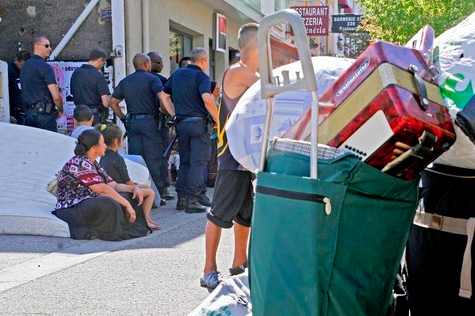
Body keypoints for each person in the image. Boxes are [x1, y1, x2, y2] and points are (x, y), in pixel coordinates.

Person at [201, 23, 259, 289]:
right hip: (232, 156)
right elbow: (272, 89)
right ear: (253, 47)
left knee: (245, 215)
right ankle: (208, 270)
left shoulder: (247, 72)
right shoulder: (240, 72)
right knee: (219, 214)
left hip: (245, 156)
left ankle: (239, 263)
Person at [53, 129, 151, 241]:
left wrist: (133, 188)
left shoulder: (94, 163)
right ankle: (114, 231)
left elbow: (113, 185)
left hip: (87, 204)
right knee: (108, 201)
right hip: (72, 209)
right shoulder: (79, 162)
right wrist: (127, 205)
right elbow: (102, 189)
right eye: (102, 143)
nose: (105, 146)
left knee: (130, 195)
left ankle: (132, 227)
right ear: (95, 147)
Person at [160, 48, 218, 213]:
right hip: (199, 124)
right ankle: (192, 200)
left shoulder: (177, 74)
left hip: (182, 124)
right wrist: (217, 119)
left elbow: (163, 96)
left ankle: (182, 199)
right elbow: (207, 99)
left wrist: (174, 114)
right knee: (198, 163)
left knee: (185, 162)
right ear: (203, 61)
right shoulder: (201, 76)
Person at [109, 53, 165, 201]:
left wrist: (122, 117)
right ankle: (157, 194)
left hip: (132, 123)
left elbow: (113, 101)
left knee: (136, 158)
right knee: (152, 158)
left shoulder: (126, 81)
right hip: (150, 122)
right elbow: (162, 97)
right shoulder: (153, 79)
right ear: (147, 64)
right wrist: (168, 113)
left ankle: (136, 191)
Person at [97, 123, 161, 230]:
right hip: (119, 190)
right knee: (150, 192)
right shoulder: (118, 159)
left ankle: (148, 219)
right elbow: (127, 181)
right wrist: (135, 186)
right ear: (116, 141)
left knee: (145, 186)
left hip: (113, 187)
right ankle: (145, 220)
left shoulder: (102, 157)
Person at [20, 35, 64, 132]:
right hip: (44, 116)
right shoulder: (45, 67)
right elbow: (56, 96)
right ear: (37, 46)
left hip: (29, 115)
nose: (50, 49)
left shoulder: (24, 67)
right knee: (49, 145)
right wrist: (61, 110)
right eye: (46, 46)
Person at [148, 51, 174, 201]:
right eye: (160, 62)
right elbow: (165, 101)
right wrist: (170, 114)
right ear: (150, 63)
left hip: (139, 124)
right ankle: (163, 188)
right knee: (163, 155)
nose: (162, 65)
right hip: (159, 122)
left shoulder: (132, 80)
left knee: (148, 156)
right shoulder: (162, 81)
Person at [70, 48, 111, 125]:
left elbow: (73, 97)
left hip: (78, 115)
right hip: (94, 117)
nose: (102, 65)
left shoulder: (75, 74)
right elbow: (105, 102)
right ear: (100, 60)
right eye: (103, 62)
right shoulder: (98, 76)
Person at [8, 50, 31, 125]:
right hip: (14, 112)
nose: (23, 68)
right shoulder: (8, 70)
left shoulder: (26, 71)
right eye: (21, 65)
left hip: (25, 110)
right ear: (17, 60)